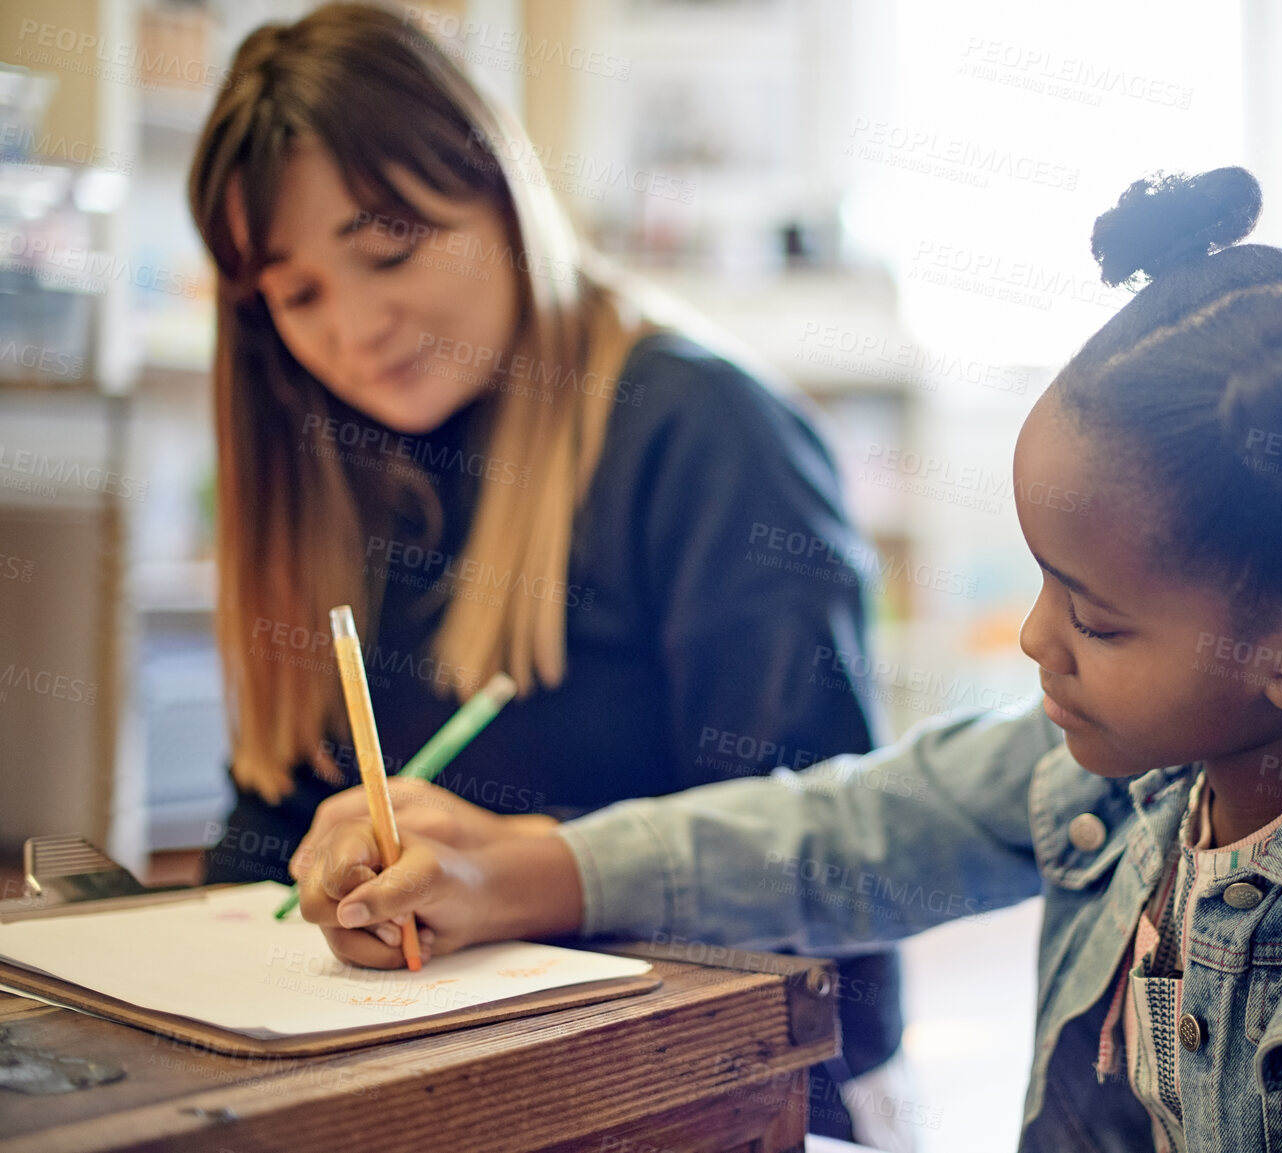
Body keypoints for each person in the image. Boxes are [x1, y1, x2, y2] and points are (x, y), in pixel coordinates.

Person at [292, 167, 1282, 1151]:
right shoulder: (1160, 748)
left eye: (1097, 615)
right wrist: (522, 867)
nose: (1033, 640)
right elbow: (854, 828)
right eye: (1045, 585)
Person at [187, 4, 910, 1145]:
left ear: (498, 191)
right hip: (399, 1075)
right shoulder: (337, 463)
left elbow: (832, 901)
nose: (357, 328)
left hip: (685, 1091)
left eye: (387, 247)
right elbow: (264, 833)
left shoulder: (702, 432)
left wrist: (510, 871)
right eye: (296, 294)